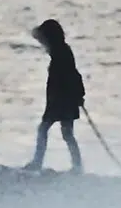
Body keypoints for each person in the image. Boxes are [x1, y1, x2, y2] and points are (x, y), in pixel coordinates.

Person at [23, 19, 83, 173]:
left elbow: (74, 76)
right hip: (61, 101)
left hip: (62, 101)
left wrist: (78, 95)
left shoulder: (61, 54)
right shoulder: (60, 52)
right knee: (66, 133)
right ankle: (77, 165)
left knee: (48, 130)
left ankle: (39, 162)